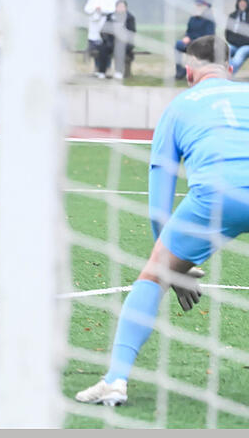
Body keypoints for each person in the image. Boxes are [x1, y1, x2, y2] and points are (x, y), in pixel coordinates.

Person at [75, 35, 249, 407]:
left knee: (152, 276)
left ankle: (116, 379)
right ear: (231, 70)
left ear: (188, 72)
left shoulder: (178, 107)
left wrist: (173, 267)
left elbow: (158, 207)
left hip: (216, 196)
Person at [83, 0, 119, 78]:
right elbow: (87, 9)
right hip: (95, 24)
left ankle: (106, 68)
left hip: (107, 25)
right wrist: (95, 9)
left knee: (106, 48)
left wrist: (103, 10)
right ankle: (97, 68)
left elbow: (115, 10)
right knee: (96, 48)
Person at [175, 0, 215, 80]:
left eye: (199, 6)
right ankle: (180, 71)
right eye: (197, 6)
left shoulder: (209, 20)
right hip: (190, 43)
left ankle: (190, 73)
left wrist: (194, 41)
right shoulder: (192, 19)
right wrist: (186, 37)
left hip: (202, 45)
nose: (197, 7)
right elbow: (188, 31)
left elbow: (209, 36)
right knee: (178, 44)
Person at [96, 0, 136, 80]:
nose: (120, 8)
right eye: (119, 6)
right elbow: (103, 31)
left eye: (122, 6)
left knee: (120, 50)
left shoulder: (130, 18)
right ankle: (102, 72)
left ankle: (119, 72)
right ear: (116, 7)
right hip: (110, 42)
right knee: (103, 49)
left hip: (124, 43)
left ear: (125, 8)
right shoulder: (110, 16)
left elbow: (132, 32)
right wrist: (107, 41)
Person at [225, 0, 249, 76]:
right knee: (224, 51)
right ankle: (227, 73)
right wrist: (232, 41)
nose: (242, 4)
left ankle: (229, 75)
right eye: (240, 2)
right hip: (233, 44)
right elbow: (227, 33)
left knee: (238, 57)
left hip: (246, 45)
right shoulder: (232, 16)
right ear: (237, 3)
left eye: (244, 2)